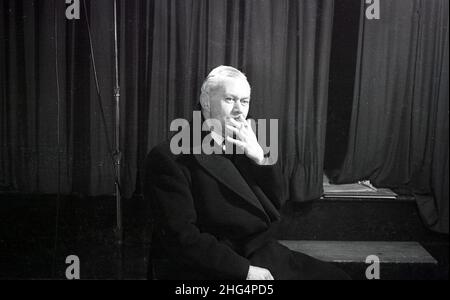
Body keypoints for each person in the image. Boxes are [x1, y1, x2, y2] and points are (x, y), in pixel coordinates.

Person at [144, 66, 350, 280]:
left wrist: (261, 159)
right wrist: (244, 271)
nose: (239, 110)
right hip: (214, 267)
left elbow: (275, 207)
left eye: (244, 101)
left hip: (258, 251)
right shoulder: (169, 156)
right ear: (206, 102)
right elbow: (182, 239)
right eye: (229, 99)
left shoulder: (247, 142)